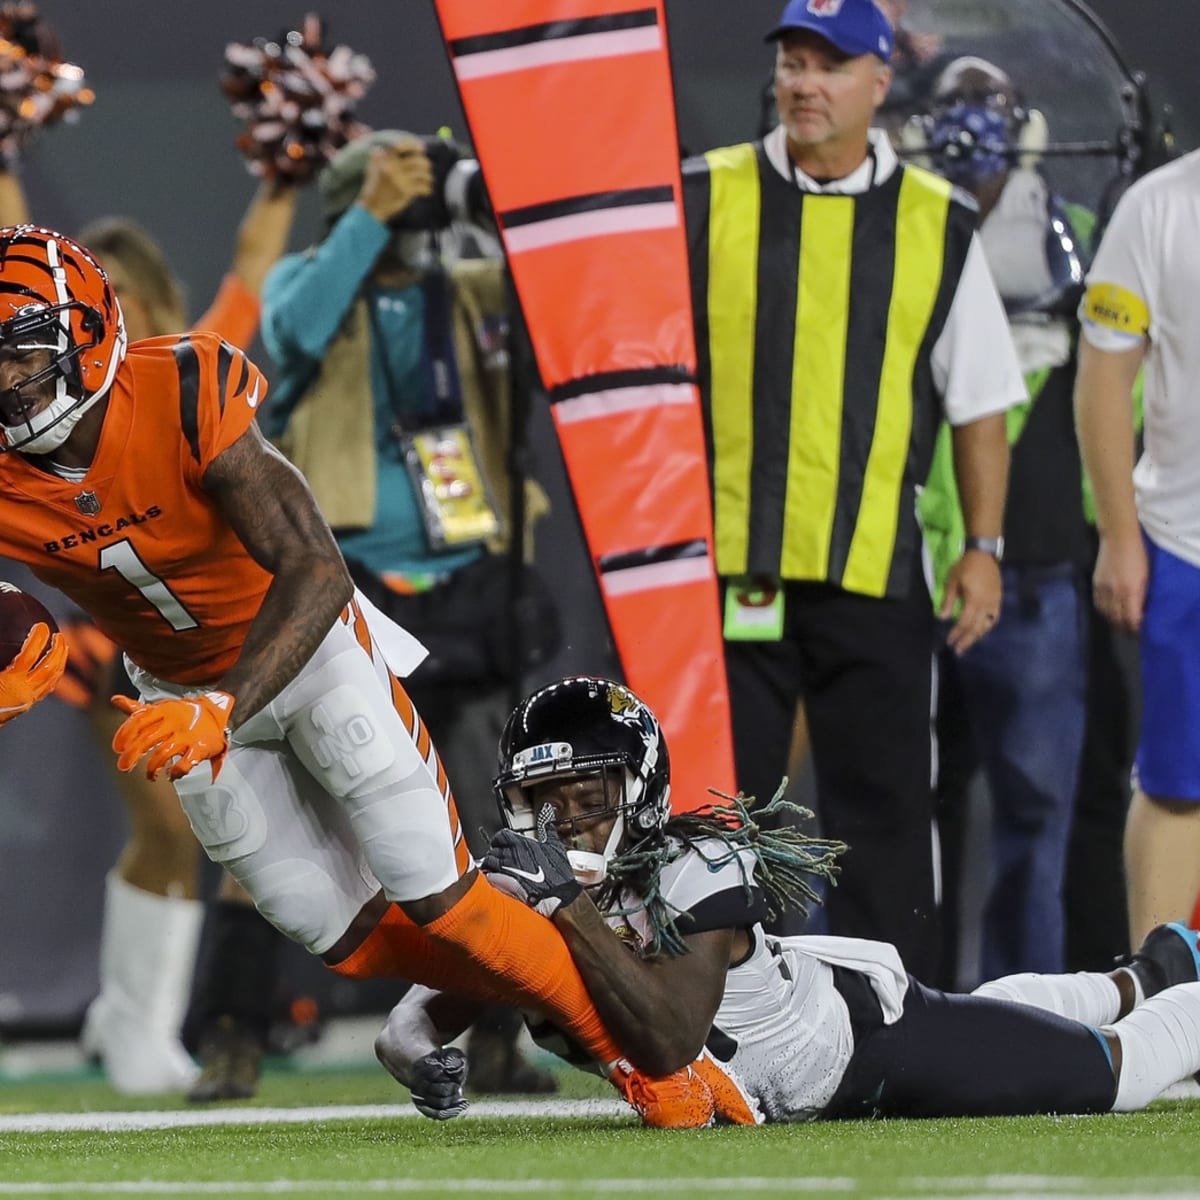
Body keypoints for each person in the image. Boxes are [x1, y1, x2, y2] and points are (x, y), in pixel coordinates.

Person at [0, 224, 749, 1130]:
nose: (6, 378)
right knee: (344, 938)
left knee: (445, 900)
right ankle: (604, 1021)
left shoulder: (184, 386)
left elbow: (315, 569)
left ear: (86, 337)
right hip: (174, 693)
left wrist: (225, 703)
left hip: (304, 656)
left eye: (22, 352)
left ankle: (652, 1055)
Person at [376, 675, 1200, 1124]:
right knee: (991, 1012)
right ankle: (1139, 975)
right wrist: (421, 1060)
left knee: (1112, 1076)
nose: (562, 823)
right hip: (793, 1048)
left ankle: (1163, 986)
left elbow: (667, 1042)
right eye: (540, 802)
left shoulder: (699, 859)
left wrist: (567, 911)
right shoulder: (532, 893)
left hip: (867, 1045)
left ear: (641, 790)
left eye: (584, 796)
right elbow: (412, 1019)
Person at [683, 0, 1024, 977]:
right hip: (735, 562)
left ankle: (889, 1013)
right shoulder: (704, 195)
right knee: (721, 804)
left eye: (829, 65)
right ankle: (718, 1013)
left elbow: (982, 400)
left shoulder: (935, 221)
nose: (803, 82)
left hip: (873, 561)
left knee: (883, 801)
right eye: (793, 61)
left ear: (881, 82)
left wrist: (984, 549)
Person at [259, 128, 562, 1097]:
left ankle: (501, 1035)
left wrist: (493, 209)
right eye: (391, 194)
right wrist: (369, 218)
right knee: (302, 814)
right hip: (346, 591)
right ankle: (236, 1029)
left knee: (496, 819)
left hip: (468, 579)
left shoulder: (462, 288)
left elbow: (549, 308)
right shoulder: (312, 279)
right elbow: (290, 338)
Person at [0, 159, 298, 1094]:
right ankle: (136, 1024)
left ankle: (135, 1016)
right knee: (168, 821)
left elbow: (253, 269)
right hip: (109, 633)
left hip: (211, 632)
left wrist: (286, 177)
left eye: (114, 291)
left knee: (217, 836)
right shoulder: (28, 379)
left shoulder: (189, 371)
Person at [916, 57, 1096, 982]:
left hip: (1036, 561)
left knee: (1035, 809)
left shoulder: (1079, 236)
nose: (966, 124)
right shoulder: (900, 224)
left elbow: (1122, 392)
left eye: (986, 103)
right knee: (908, 804)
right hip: (912, 564)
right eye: (950, 105)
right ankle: (906, 1005)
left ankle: (1038, 1007)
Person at [1074, 148, 1200, 946]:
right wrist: (1121, 535)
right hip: (1188, 546)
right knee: (1177, 782)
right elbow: (1102, 381)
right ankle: (1163, 1013)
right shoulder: (1158, 207)